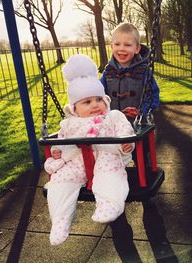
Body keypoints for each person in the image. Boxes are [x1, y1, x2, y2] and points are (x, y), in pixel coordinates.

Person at [44, 54, 135, 246]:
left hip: (108, 155)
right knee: (60, 180)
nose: (95, 105)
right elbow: (60, 144)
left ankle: (110, 203)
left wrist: (126, 144)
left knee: (108, 168)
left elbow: (125, 130)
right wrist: (57, 152)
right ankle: (60, 219)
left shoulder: (113, 116)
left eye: (98, 99)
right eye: (87, 102)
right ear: (75, 109)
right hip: (77, 163)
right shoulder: (69, 124)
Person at [100, 22, 160, 119]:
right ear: (112, 47)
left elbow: (153, 95)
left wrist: (142, 112)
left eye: (127, 45)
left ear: (137, 49)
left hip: (139, 125)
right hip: (114, 125)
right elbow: (98, 94)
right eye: (117, 44)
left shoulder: (143, 71)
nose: (121, 48)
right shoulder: (108, 72)